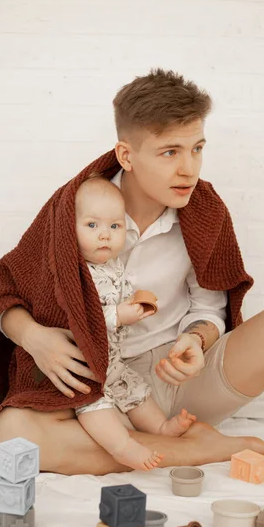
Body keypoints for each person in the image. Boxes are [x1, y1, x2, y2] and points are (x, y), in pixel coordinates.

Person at [0, 68, 264, 475]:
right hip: (99, 384)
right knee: (12, 434)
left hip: (182, 380)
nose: (188, 169)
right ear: (126, 155)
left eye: (197, 149)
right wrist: (34, 337)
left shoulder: (205, 210)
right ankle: (203, 448)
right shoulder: (75, 207)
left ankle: (164, 439)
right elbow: (6, 292)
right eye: (170, 152)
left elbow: (210, 307)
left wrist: (196, 338)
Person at [73, 175, 196, 470]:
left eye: (114, 227)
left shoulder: (113, 265)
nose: (105, 235)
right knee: (93, 405)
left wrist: (136, 304)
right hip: (84, 368)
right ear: (70, 228)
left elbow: (117, 297)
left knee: (136, 391)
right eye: (92, 225)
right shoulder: (75, 272)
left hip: (112, 362)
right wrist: (118, 315)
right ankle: (123, 447)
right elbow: (75, 319)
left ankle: (162, 429)